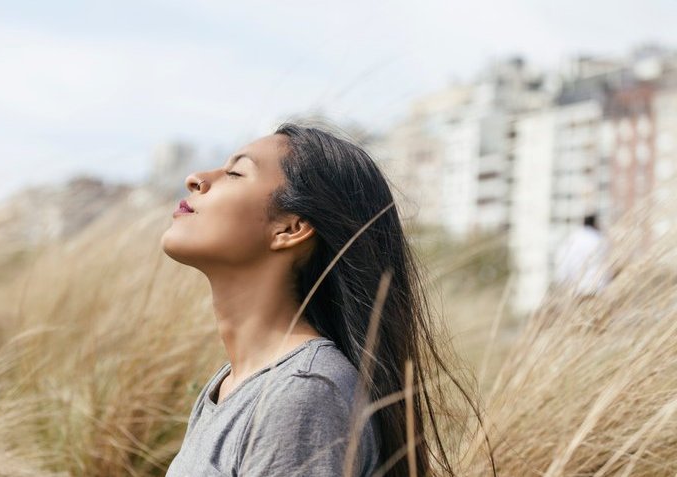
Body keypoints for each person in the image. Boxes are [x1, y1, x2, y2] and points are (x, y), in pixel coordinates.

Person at [161, 122, 491, 477]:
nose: (196, 178)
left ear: (290, 228)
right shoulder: (233, 384)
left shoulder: (303, 393)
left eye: (236, 172)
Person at [552, 213, 610, 298]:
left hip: (576, 288)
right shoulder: (600, 240)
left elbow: (562, 260)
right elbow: (607, 265)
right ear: (595, 224)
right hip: (597, 288)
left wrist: (563, 282)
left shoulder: (572, 238)